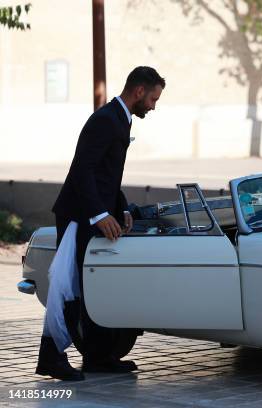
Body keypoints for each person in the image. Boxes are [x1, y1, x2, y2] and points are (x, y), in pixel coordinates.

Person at [35, 66, 165, 381]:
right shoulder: (106, 120)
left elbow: (106, 175)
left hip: (93, 213)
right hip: (77, 215)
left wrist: (120, 208)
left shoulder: (120, 118)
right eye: (153, 98)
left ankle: (98, 357)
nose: (153, 105)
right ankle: (50, 358)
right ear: (138, 91)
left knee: (93, 285)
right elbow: (82, 170)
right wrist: (99, 214)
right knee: (68, 286)